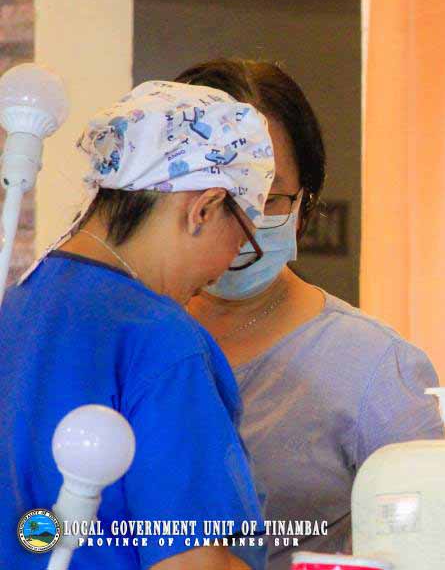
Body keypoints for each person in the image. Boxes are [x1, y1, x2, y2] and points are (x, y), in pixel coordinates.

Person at [176, 59, 444, 568]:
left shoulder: (374, 365)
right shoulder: (129, 337)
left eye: (267, 195)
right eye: (216, 188)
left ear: (305, 203)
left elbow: (429, 543)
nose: (240, 219)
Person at [0, 81, 276, 569]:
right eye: (242, 243)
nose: (224, 271)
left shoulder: (18, 305)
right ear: (204, 209)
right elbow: (191, 564)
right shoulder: (161, 340)